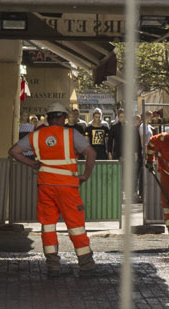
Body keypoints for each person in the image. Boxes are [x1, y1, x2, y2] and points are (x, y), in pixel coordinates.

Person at [8, 103, 101, 276]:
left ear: (49, 118)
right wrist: (85, 175)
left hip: (45, 186)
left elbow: (14, 151)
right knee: (76, 226)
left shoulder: (35, 136)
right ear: (61, 117)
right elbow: (91, 153)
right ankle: (86, 265)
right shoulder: (71, 134)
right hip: (67, 187)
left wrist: (32, 164)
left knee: (48, 226)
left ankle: (53, 266)